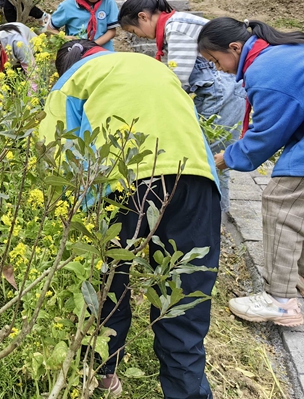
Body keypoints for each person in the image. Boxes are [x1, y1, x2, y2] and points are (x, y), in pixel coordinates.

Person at [41, 40, 221, 399]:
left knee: (109, 281)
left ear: (66, 66)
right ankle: (187, 392)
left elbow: (53, 154)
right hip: (197, 179)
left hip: (123, 183)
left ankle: (103, 373)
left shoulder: (70, 82)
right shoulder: (154, 67)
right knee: (183, 292)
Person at [197, 18, 304, 327]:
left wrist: (226, 158)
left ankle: (281, 301)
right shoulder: (279, 54)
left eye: (216, 61)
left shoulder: (265, 71)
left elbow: (266, 135)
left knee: (281, 204)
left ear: (234, 48)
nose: (219, 69)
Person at [118, 0, 245, 211]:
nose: (139, 37)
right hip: (221, 91)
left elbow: (178, 79)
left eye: (133, 31)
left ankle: (215, 216)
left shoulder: (176, 28)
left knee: (210, 159)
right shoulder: (174, 26)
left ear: (143, 17)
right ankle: (213, 213)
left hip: (223, 93)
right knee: (211, 157)